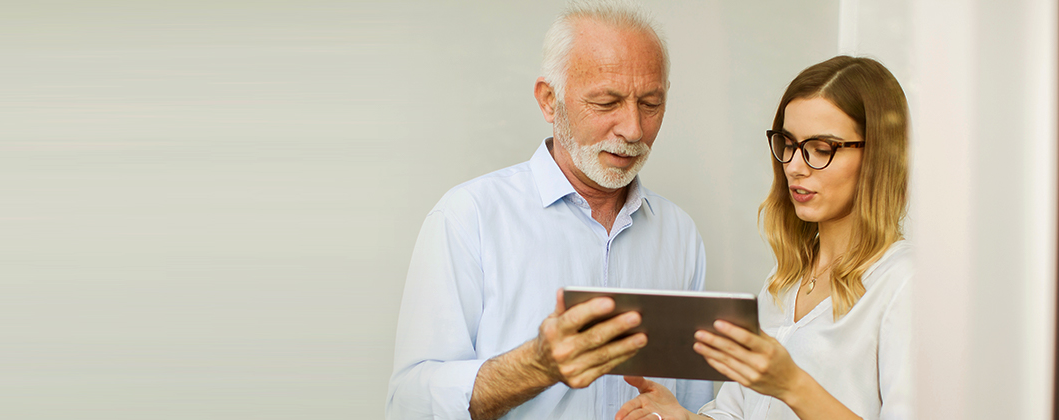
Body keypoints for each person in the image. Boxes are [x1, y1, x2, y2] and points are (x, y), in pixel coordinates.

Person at [386, 2, 715, 419]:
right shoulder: (468, 217)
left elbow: (698, 405)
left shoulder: (680, 234)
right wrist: (535, 367)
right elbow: (408, 406)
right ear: (548, 100)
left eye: (650, 103)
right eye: (606, 102)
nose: (633, 129)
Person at [614, 55, 913, 420]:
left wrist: (792, 384)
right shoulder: (784, 279)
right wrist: (683, 418)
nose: (795, 166)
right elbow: (739, 412)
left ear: (878, 157)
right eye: (788, 143)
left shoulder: (905, 284)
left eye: (821, 149)